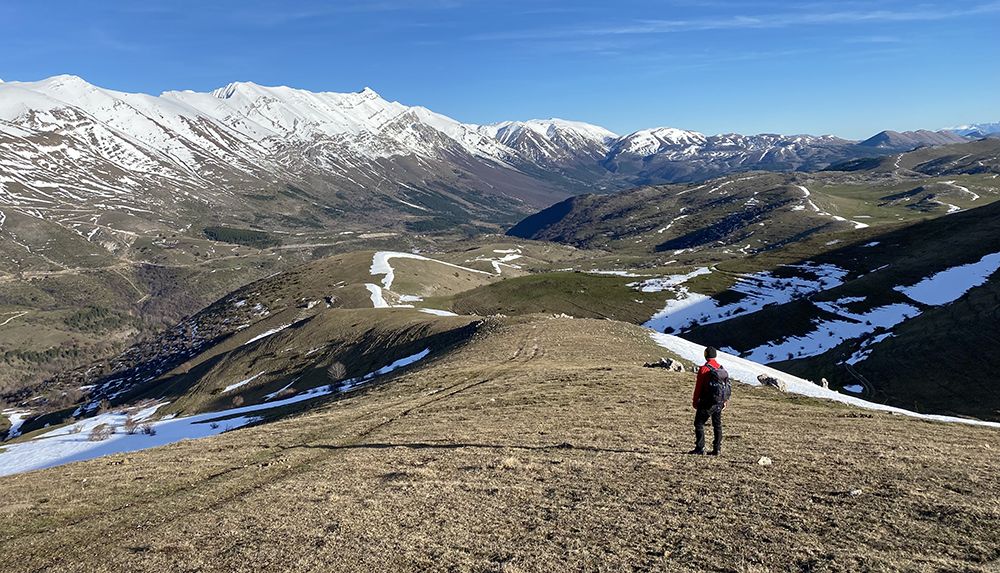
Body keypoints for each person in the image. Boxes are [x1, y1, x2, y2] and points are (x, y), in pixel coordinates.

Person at [690, 346, 730, 456]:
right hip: (719, 401)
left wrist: (695, 401)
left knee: (699, 423)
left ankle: (700, 447)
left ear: (706, 355)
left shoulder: (704, 369)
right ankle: (717, 448)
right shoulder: (721, 368)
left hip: (706, 401)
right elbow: (725, 386)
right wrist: (725, 401)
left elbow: (698, 387)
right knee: (717, 425)